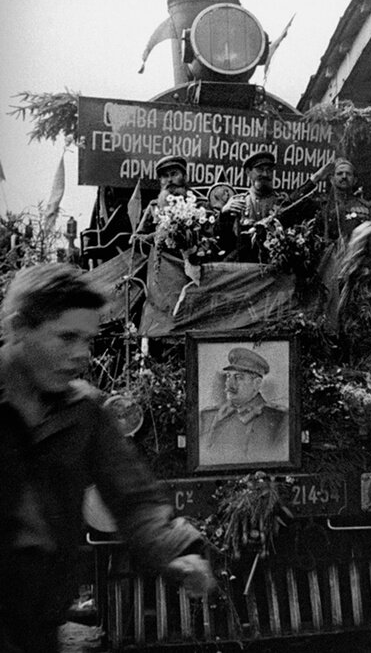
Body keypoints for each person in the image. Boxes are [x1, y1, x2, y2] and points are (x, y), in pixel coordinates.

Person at [0, 263, 215, 653]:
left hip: (37, 626)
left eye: (87, 339)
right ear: (18, 329)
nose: (81, 355)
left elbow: (133, 497)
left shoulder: (85, 412)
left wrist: (176, 553)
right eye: (66, 338)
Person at [199, 347, 289, 466]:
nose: (229, 384)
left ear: (256, 384)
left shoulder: (279, 418)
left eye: (238, 377)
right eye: (228, 376)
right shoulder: (208, 416)